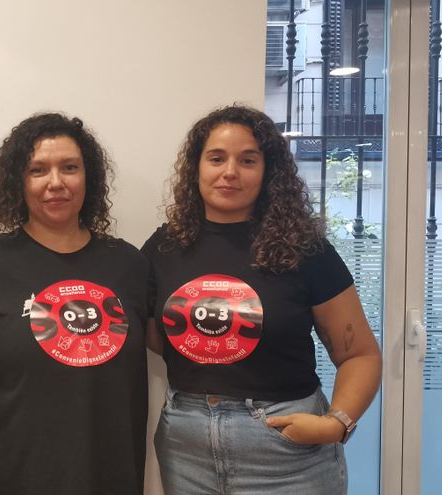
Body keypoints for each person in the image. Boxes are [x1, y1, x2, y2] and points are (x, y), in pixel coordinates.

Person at [142, 105, 382, 494]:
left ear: (268, 171)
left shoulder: (305, 249)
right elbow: (154, 334)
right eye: (217, 158)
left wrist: (336, 423)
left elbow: (360, 355)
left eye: (248, 160)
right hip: (186, 445)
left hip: (285, 447)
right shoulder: (164, 247)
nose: (230, 171)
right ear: (196, 168)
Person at [0, 112, 148, 494]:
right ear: (18, 180)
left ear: (88, 176)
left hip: (108, 474)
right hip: (11, 474)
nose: (56, 183)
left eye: (70, 168)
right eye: (38, 170)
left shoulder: (128, 263)